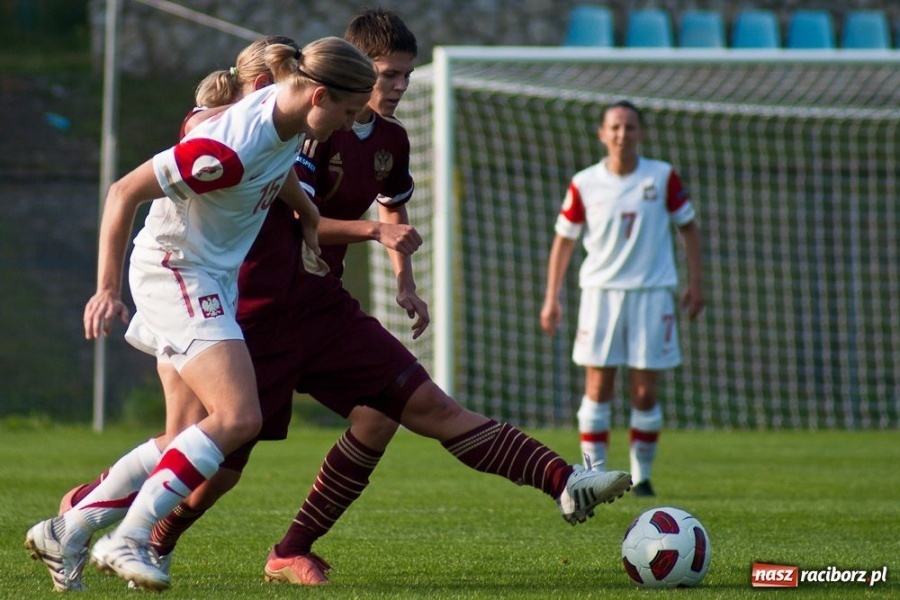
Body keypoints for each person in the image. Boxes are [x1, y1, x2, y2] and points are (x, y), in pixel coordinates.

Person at [42, 15, 632, 593]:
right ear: (332, 85)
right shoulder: (255, 138)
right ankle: (110, 528)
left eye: (403, 77)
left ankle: (561, 479)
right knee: (210, 455)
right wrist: (107, 288)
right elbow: (133, 188)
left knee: (410, 406)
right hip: (243, 307)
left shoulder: (328, 129)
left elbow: (291, 190)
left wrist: (338, 236)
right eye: (381, 81)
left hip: (320, 309)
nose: (387, 95)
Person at [25, 36, 378, 592]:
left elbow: (278, 163)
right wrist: (105, 290)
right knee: (239, 418)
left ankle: (68, 529)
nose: (349, 125)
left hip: (206, 274)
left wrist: (308, 215)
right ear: (318, 95)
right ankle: (128, 539)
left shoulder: (286, 114)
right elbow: (122, 192)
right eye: (349, 112)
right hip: (176, 271)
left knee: (188, 435)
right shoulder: (229, 145)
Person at [540, 100, 704, 498]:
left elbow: (689, 228)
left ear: (641, 134)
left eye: (630, 127)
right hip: (600, 294)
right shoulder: (585, 182)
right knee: (598, 385)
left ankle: (642, 478)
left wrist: (696, 281)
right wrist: (552, 297)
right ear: (602, 134)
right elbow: (564, 240)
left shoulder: (662, 177)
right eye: (614, 127)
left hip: (652, 294)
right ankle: (592, 477)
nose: (621, 134)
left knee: (645, 391)